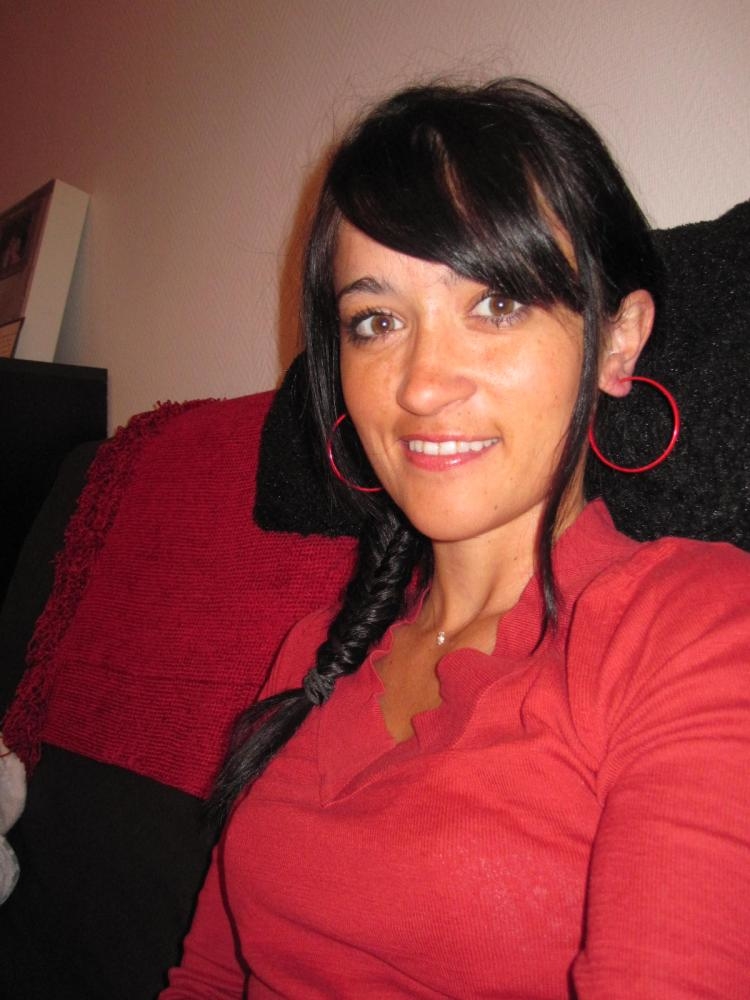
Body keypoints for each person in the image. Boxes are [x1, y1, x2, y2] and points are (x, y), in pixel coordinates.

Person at [161, 78, 750, 998]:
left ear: (618, 340)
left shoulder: (696, 629)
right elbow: (207, 975)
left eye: (497, 304)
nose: (421, 384)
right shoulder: (313, 654)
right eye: (377, 321)